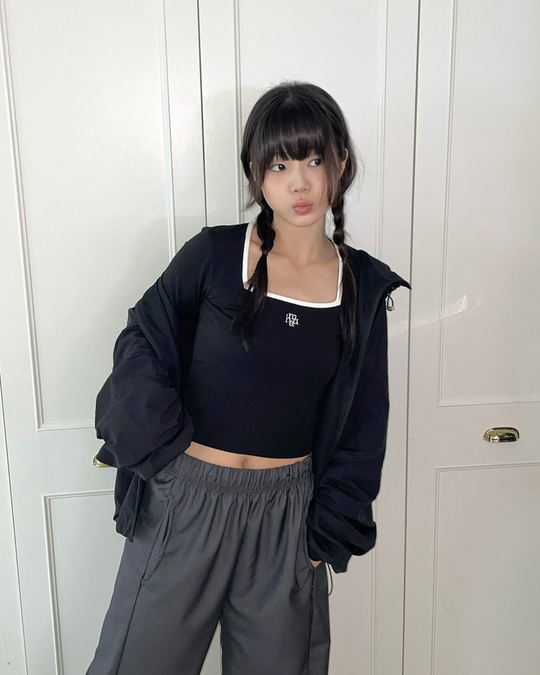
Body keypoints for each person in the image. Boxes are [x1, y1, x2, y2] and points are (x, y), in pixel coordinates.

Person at [86, 80, 411, 675]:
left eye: (314, 160)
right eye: (280, 165)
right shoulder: (213, 255)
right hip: (185, 503)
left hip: (287, 520)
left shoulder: (360, 289)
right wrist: (163, 455)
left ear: (341, 163)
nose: (300, 183)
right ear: (257, 174)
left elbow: (364, 425)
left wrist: (324, 536)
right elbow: (142, 342)